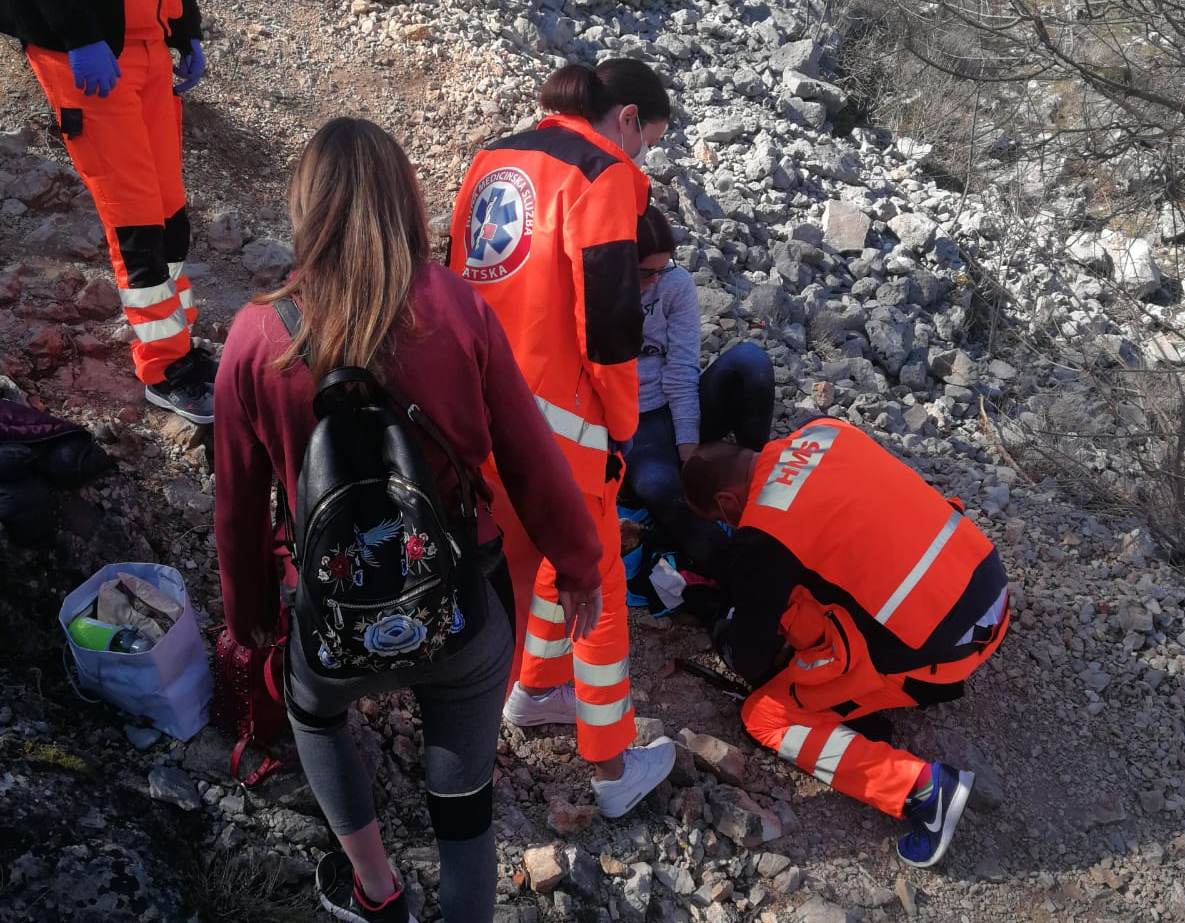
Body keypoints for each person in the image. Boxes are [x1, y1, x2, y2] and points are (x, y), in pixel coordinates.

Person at [214, 119, 605, 923]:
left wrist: (250, 617)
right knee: (466, 815)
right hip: (461, 606)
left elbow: (239, 506)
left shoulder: (257, 336)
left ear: (305, 206)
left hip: (331, 615)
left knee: (315, 712)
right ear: (404, 199)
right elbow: (531, 458)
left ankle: (376, 886)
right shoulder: (454, 307)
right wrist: (579, 564)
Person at [448, 59, 676, 818]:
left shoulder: (492, 159)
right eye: (649, 141)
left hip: (477, 409)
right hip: (560, 426)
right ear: (629, 119)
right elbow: (609, 327)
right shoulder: (603, 176)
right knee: (597, 577)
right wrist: (622, 425)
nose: (642, 157)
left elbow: (453, 280)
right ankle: (612, 767)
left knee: (519, 572)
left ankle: (533, 689)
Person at [681, 416, 1010, 867]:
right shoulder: (823, 431)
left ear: (726, 500)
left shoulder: (764, 532)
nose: (730, 527)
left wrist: (716, 615)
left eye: (723, 520)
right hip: (989, 585)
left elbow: (751, 660)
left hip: (946, 649)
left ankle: (922, 791)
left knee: (764, 715)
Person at [0, 0, 215, 424]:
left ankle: (178, 343)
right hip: (88, 50)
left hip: (148, 43)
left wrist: (185, 26)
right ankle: (164, 370)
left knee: (170, 212)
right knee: (136, 220)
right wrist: (79, 34)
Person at [622, 204, 775, 583]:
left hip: (676, 401)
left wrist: (689, 453)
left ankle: (756, 485)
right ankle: (740, 576)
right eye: (645, 273)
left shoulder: (675, 284)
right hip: (632, 420)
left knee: (750, 362)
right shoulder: (599, 291)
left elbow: (681, 371)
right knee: (661, 490)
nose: (655, 281)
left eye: (662, 269)